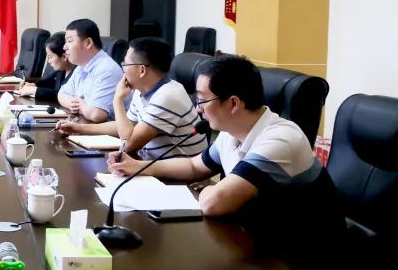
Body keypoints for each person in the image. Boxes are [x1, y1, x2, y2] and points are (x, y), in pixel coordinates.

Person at [108, 55, 344, 256]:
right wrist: (139, 166)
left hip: (304, 258)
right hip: (258, 239)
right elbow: (194, 167)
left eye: (202, 99)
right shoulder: (231, 133)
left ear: (233, 104)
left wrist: (208, 190)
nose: (198, 107)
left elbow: (213, 203)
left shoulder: (280, 140)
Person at [56, 37, 207, 160]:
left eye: (125, 64)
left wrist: (118, 100)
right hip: (149, 164)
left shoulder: (167, 96)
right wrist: (78, 128)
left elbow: (128, 143)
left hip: (180, 180)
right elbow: (125, 126)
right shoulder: (141, 91)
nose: (123, 69)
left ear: (141, 70)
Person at [57, 18, 123, 122]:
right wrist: (82, 105)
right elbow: (61, 95)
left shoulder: (106, 69)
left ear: (88, 43)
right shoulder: (81, 66)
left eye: (69, 41)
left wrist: (79, 104)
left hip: (109, 130)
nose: (65, 47)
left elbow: (96, 114)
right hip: (87, 125)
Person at [18, 31, 74, 101]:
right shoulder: (61, 71)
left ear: (64, 57)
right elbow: (48, 82)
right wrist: (34, 85)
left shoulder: (77, 74)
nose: (49, 61)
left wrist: (35, 90)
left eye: (50, 57)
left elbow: (62, 95)